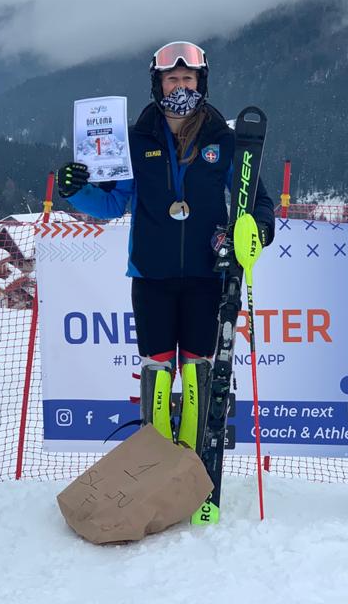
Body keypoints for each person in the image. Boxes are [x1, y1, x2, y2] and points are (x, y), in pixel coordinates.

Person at [55, 41, 275, 451]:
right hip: (152, 276)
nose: (179, 86)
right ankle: (155, 466)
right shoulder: (136, 140)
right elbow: (112, 203)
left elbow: (257, 200)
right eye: (171, 78)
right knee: (157, 372)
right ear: (157, 84)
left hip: (207, 275)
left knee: (197, 371)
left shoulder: (222, 141)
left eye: (187, 78)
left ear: (201, 82)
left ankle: (195, 462)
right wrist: (78, 190)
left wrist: (256, 232)